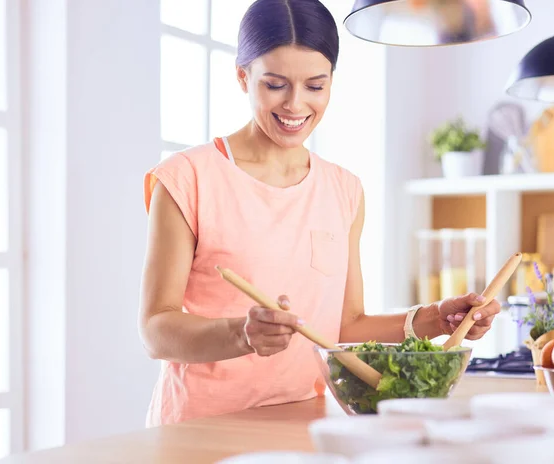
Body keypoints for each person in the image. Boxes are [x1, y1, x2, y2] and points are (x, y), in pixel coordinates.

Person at [138, 0, 500, 427]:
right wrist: (242, 334)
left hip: (302, 425)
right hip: (196, 430)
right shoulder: (187, 178)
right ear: (243, 76)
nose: (295, 105)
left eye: (315, 85)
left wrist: (436, 318)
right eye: (275, 84)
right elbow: (156, 331)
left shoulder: (344, 190)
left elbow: (346, 326)